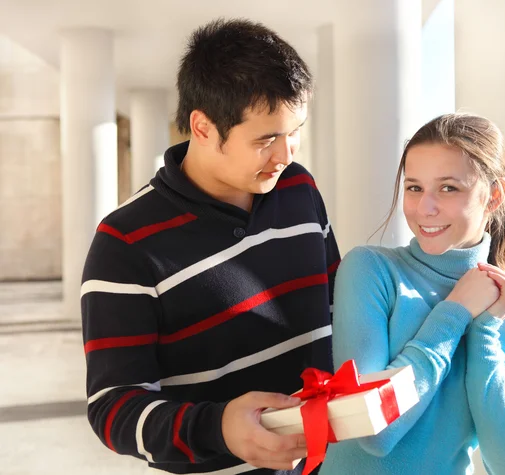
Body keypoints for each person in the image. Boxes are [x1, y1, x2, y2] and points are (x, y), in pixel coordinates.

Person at [81, 19, 340, 475]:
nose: (286, 155)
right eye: (265, 139)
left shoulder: (299, 188)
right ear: (202, 127)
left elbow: (339, 308)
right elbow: (113, 408)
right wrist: (219, 428)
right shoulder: (125, 243)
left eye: (294, 131)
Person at [320, 113, 505, 474]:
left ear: (494, 195)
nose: (425, 208)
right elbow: (373, 431)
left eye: (448, 188)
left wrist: (484, 332)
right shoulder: (371, 271)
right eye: (414, 188)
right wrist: (455, 311)